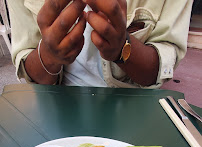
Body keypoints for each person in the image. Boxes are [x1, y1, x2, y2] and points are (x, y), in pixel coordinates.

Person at [7, 0, 193, 89]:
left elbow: (158, 71)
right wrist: (48, 56)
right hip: (55, 102)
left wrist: (123, 49)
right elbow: (29, 72)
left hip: (135, 103)